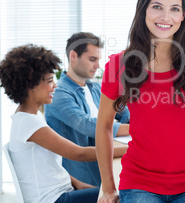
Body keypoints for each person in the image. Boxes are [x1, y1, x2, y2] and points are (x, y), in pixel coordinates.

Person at [96, 0, 185, 203]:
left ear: (183, 16)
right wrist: (107, 187)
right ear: (143, 10)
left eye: (175, 9)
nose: (165, 17)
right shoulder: (119, 65)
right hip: (139, 184)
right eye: (157, 7)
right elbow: (104, 126)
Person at [0, 44, 123, 202]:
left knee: (113, 190)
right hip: (54, 199)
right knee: (124, 194)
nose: (55, 86)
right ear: (30, 84)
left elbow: (49, 166)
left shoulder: (32, 116)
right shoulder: (29, 123)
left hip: (63, 192)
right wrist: (130, 150)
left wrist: (79, 184)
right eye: (50, 81)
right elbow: (79, 153)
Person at [45, 32, 130, 187]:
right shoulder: (59, 94)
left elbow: (124, 110)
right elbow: (89, 125)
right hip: (82, 178)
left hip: (101, 164)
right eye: (92, 59)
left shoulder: (94, 88)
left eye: (98, 60)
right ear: (73, 56)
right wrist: (135, 129)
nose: (98, 65)